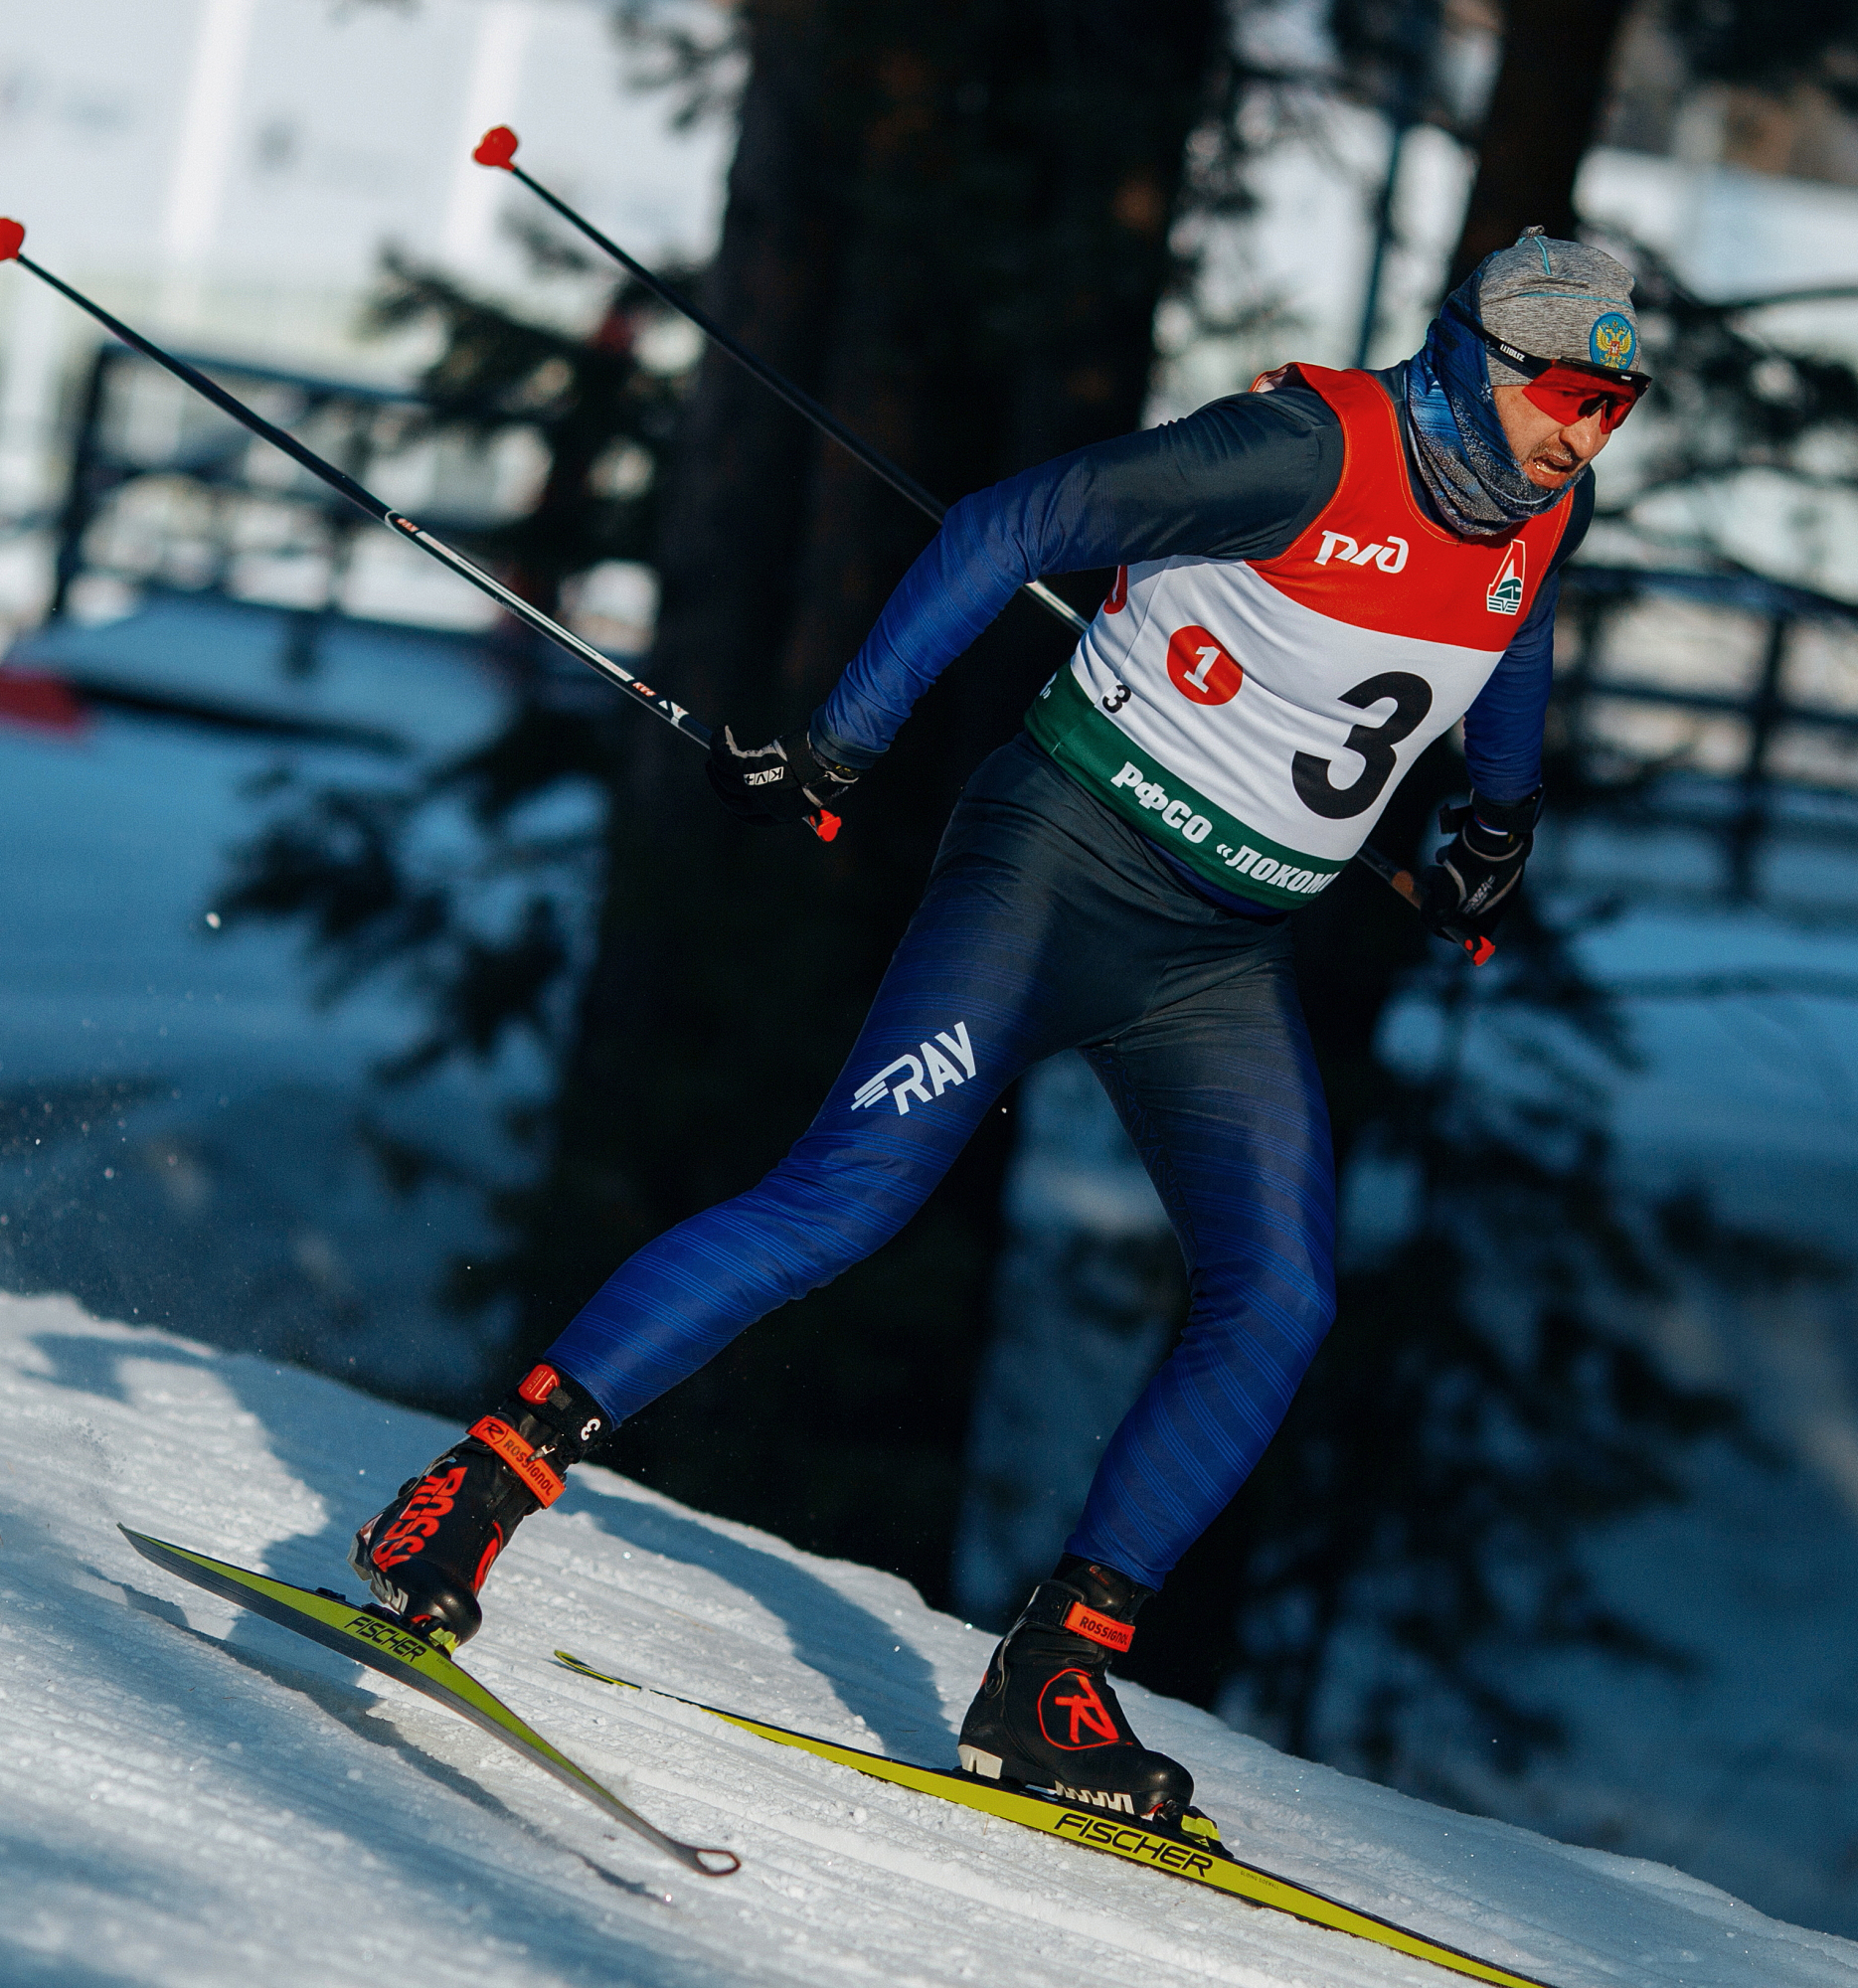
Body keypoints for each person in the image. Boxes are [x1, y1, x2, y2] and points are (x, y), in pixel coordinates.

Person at [352, 230, 1647, 1829]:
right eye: (1573, 397)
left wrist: (1498, 820)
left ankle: (1054, 1676)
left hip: (1218, 953)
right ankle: (467, 1494)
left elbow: (1508, 628)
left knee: (1285, 1290)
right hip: (1056, 870)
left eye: (1617, 408)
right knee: (845, 1201)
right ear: (1478, 360)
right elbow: (1014, 521)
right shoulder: (1299, 449)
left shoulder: (1544, 507)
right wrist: (843, 745)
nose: (1587, 437)